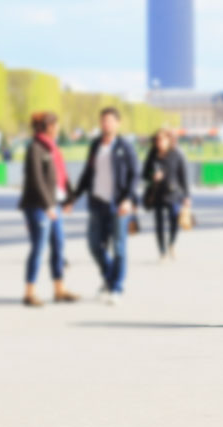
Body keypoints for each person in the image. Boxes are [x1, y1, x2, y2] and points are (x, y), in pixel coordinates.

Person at [74, 107, 139, 305]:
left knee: (119, 247)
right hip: (97, 203)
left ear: (117, 123)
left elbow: (134, 175)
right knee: (94, 245)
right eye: (103, 121)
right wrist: (72, 197)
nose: (106, 124)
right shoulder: (95, 145)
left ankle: (116, 287)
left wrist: (128, 199)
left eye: (110, 121)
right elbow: (87, 174)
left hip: (118, 204)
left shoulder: (125, 147)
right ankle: (110, 278)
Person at [18, 112, 80, 306]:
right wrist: (48, 206)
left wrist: (69, 198)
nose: (58, 128)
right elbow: (36, 179)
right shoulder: (35, 148)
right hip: (39, 206)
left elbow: (62, 176)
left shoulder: (52, 147)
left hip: (54, 205)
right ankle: (29, 292)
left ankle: (59, 289)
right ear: (47, 127)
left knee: (59, 245)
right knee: (38, 248)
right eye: (56, 125)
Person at [142, 128, 190, 260]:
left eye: (162, 139)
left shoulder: (176, 155)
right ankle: (162, 251)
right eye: (157, 140)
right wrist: (153, 176)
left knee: (174, 220)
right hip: (157, 194)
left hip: (173, 194)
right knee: (159, 224)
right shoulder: (152, 155)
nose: (159, 142)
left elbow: (183, 177)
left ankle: (171, 244)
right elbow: (144, 174)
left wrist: (186, 196)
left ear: (168, 140)